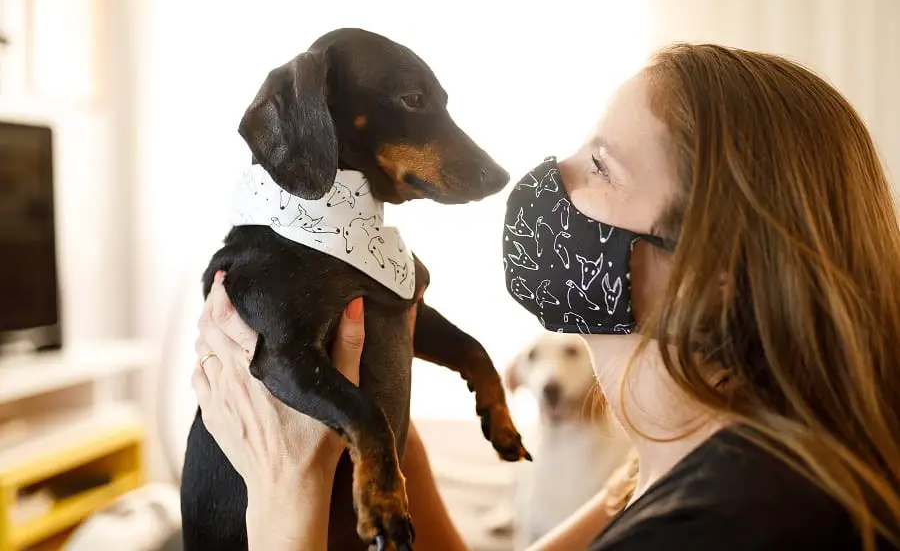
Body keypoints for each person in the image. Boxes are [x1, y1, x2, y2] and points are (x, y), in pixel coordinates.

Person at [191, 43, 900, 551]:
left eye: (599, 164)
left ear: (712, 273)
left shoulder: (727, 524)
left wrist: (287, 507)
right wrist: (382, 401)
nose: (548, 174)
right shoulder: (665, 474)